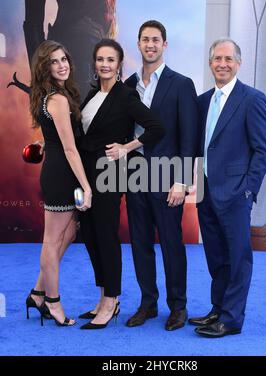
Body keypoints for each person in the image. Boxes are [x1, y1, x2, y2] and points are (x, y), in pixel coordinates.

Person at [78, 38, 164, 330]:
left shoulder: (126, 96)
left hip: (110, 173)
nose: (105, 64)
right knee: (89, 235)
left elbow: (156, 128)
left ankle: (112, 299)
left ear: (119, 64)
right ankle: (103, 296)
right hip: (85, 173)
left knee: (105, 235)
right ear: (95, 63)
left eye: (110, 60)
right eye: (100, 59)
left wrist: (127, 147)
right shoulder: (90, 94)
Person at [189, 38, 266, 337]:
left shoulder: (252, 99)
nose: (222, 63)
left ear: (238, 63)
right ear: (210, 63)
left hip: (237, 194)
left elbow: (263, 150)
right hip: (206, 192)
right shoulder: (201, 101)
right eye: (217, 59)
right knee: (216, 256)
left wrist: (248, 190)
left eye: (228, 59)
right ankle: (218, 309)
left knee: (238, 258)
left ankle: (232, 319)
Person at [125, 20, 198, 331]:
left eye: (155, 40)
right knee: (139, 243)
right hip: (134, 175)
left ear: (164, 45)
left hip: (169, 179)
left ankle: (177, 307)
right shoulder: (127, 85)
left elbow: (189, 136)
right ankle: (147, 304)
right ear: (138, 44)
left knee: (171, 244)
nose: (150, 44)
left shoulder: (181, 84)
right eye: (145, 39)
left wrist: (182, 181)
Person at [26, 40, 92, 327]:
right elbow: (69, 148)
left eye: (64, 58)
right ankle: (53, 303)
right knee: (53, 241)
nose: (62, 64)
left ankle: (38, 294)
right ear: (45, 67)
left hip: (57, 171)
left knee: (67, 235)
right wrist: (86, 186)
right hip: (62, 174)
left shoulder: (49, 96)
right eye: (54, 61)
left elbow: (55, 139)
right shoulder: (58, 99)